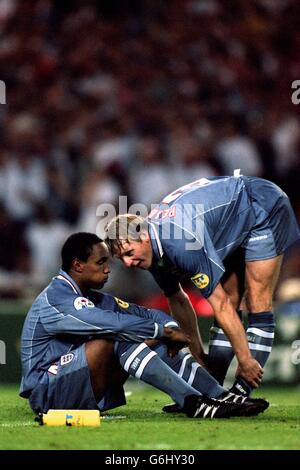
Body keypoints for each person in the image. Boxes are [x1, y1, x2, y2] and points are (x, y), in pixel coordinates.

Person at [20, 232, 268, 419]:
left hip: (78, 384)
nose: (108, 269)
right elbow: (110, 323)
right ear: (77, 265)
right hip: (47, 392)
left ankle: (220, 396)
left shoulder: (92, 297)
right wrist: (164, 332)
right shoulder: (57, 298)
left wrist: (168, 329)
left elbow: (147, 314)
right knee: (119, 335)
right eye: (101, 263)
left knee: (143, 334)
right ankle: (193, 402)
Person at [105, 173, 300, 397]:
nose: (128, 263)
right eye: (122, 259)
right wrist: (198, 356)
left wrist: (244, 358)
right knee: (230, 297)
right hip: (231, 217)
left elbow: (220, 303)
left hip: (261, 206)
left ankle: (242, 389)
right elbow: (177, 299)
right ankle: (213, 390)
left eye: (129, 253)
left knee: (256, 301)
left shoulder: (180, 242)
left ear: (144, 237)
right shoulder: (151, 247)